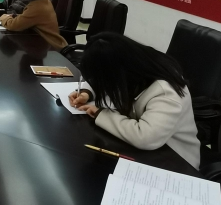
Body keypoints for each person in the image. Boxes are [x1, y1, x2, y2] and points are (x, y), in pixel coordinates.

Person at [68, 32, 200, 169]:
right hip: (143, 152)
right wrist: (87, 92)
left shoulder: (166, 93)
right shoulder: (135, 68)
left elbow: (145, 137)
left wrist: (100, 113)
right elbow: (104, 78)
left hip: (176, 163)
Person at [0, 0, 67, 50]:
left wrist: (4, 17)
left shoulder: (36, 7)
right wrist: (18, 17)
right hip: (45, 42)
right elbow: (30, 17)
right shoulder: (43, 0)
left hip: (50, 46)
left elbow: (13, 25)